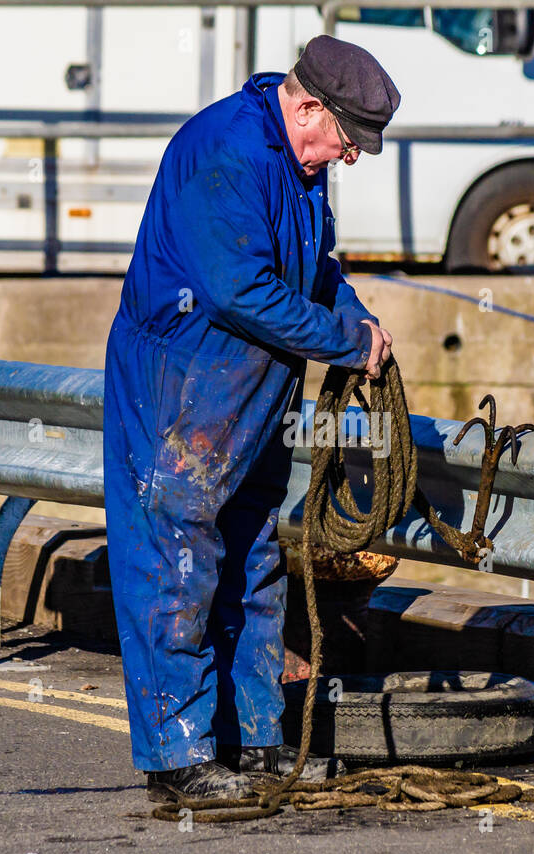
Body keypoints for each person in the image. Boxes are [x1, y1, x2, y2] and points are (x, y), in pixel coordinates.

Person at [103, 36, 400, 803]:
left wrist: (358, 323)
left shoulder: (299, 163)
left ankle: (255, 736)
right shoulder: (228, 154)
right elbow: (244, 293)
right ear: (306, 107)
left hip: (250, 393)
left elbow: (314, 270)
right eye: (347, 139)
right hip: (181, 388)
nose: (350, 157)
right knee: (177, 562)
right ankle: (179, 761)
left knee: (252, 557)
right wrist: (341, 341)